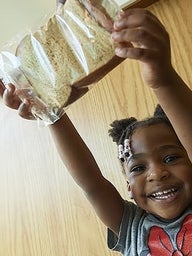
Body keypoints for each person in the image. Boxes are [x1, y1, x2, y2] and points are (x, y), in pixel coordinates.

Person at [1, 8, 192, 255]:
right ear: (129, 188)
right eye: (137, 168)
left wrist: (162, 78)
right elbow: (91, 183)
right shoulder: (131, 226)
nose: (157, 173)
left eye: (171, 158)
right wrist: (50, 115)